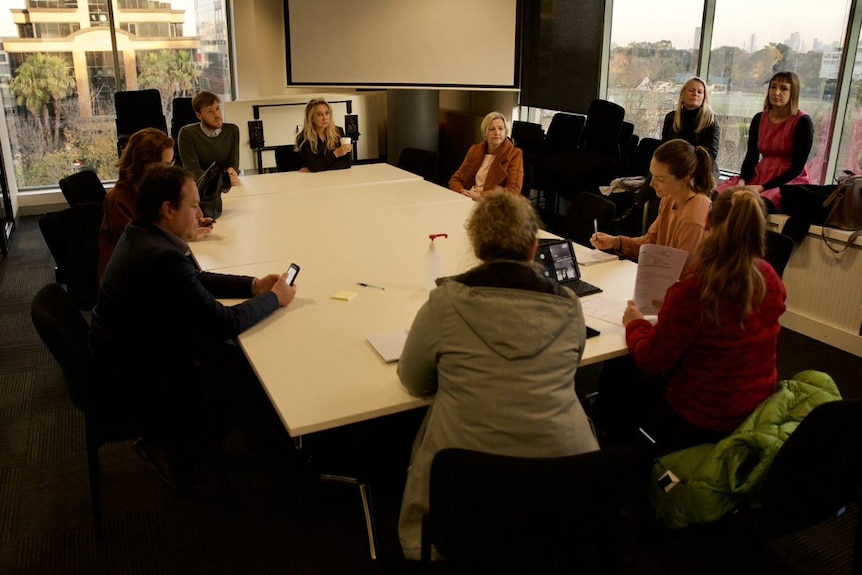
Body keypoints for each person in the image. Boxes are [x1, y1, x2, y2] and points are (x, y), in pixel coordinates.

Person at [397, 191, 599, 560]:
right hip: (563, 489)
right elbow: (569, 372)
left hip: (465, 493)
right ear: (535, 245)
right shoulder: (570, 308)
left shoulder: (446, 304)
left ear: (477, 247)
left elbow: (413, 380)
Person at [90, 164, 295, 487]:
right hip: (136, 371)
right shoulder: (161, 256)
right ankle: (174, 450)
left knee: (239, 361)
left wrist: (254, 285)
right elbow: (223, 323)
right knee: (254, 381)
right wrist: (274, 299)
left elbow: (195, 279)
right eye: (194, 205)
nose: (200, 213)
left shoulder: (142, 233)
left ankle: (177, 436)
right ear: (168, 210)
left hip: (129, 345)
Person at [619, 187, 786, 454]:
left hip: (700, 415)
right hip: (756, 406)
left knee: (623, 375)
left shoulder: (695, 291)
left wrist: (634, 323)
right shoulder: (769, 278)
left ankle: (618, 445)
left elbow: (652, 360)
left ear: (708, 222)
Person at [99, 127, 213, 279]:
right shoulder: (119, 198)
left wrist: (190, 222)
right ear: (146, 164)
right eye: (165, 165)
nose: (169, 171)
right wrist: (183, 235)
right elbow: (144, 248)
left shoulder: (152, 191)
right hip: (134, 282)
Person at [590, 138, 714, 270]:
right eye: (652, 175)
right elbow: (651, 242)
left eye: (660, 179)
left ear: (685, 179)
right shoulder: (670, 198)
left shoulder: (694, 218)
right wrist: (616, 242)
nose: (651, 184)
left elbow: (684, 274)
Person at [735, 71, 814, 213]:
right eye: (773, 87)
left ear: (793, 93)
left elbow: (797, 168)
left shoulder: (803, 122)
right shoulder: (759, 118)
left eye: (783, 88)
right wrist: (742, 180)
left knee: (752, 206)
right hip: (760, 175)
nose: (776, 92)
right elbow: (751, 156)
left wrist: (762, 187)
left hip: (787, 181)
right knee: (721, 196)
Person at [448, 111, 524, 199]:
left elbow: (513, 190)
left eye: (500, 128)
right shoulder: (475, 150)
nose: (497, 133)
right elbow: (455, 179)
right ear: (485, 133)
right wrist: (462, 192)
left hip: (495, 204)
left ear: (505, 132)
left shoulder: (514, 154)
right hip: (469, 198)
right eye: (492, 129)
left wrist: (481, 196)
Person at [661, 77, 721, 180]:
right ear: (682, 95)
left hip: (701, 170)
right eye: (691, 90)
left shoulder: (711, 120)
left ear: (704, 97)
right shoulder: (671, 117)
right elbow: (665, 147)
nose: (695, 94)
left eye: (700, 92)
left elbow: (711, 154)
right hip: (674, 166)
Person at [178, 90, 241, 185]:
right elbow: (193, 170)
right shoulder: (187, 133)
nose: (217, 115)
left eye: (217, 109)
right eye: (210, 111)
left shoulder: (232, 130)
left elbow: (233, 163)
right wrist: (219, 181)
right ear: (199, 115)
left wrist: (232, 172)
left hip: (225, 185)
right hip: (199, 187)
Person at [294, 98, 352, 172]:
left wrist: (319, 167)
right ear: (311, 118)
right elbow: (314, 166)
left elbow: (347, 163)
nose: (325, 118)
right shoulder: (303, 138)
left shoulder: (338, 131)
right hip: (314, 180)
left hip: (337, 177)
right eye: (319, 114)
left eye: (327, 113)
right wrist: (336, 154)